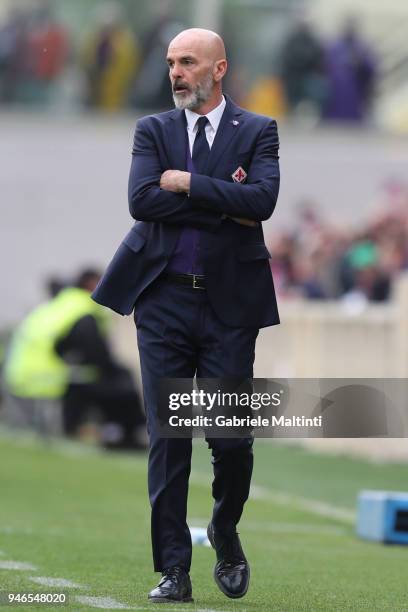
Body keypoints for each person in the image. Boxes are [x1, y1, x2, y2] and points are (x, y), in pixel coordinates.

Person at [92, 28, 280, 602]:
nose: (175, 72)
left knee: (231, 439)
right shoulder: (153, 129)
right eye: (172, 62)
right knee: (168, 438)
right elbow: (141, 201)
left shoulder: (258, 131)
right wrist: (224, 203)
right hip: (164, 301)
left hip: (229, 308)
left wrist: (190, 184)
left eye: (188, 62)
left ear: (218, 69)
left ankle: (223, 529)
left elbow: (264, 202)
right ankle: (174, 569)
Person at [3, 269, 145, 450]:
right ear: (91, 285)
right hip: (47, 379)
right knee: (118, 381)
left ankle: (118, 431)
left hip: (19, 375)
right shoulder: (84, 309)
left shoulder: (60, 304)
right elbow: (97, 354)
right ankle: (125, 434)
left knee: (110, 376)